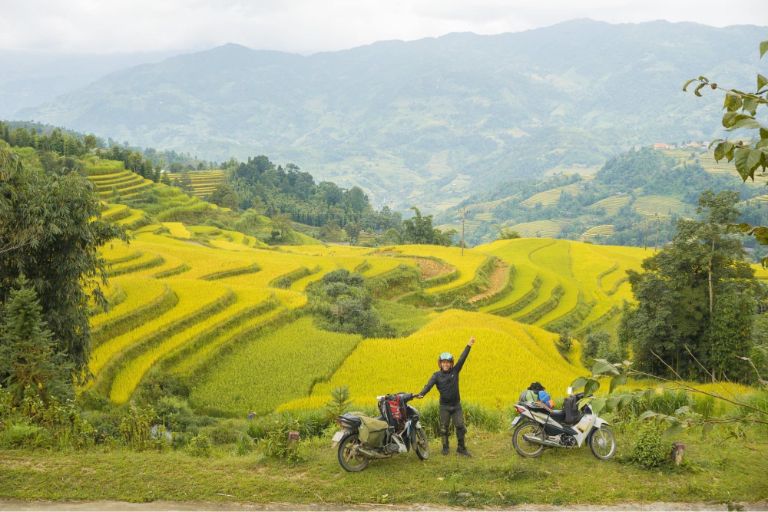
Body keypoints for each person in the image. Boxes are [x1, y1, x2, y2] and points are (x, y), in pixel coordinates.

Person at [416, 336, 475, 456]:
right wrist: (422, 394)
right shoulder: (436, 375)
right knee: (443, 428)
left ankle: (461, 448)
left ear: (451, 363)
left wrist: (468, 345)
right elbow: (429, 385)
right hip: (444, 406)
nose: (446, 364)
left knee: (460, 426)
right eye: (443, 362)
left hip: (456, 405)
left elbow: (462, 358)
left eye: (448, 362)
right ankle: (445, 447)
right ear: (440, 363)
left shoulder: (455, 371)